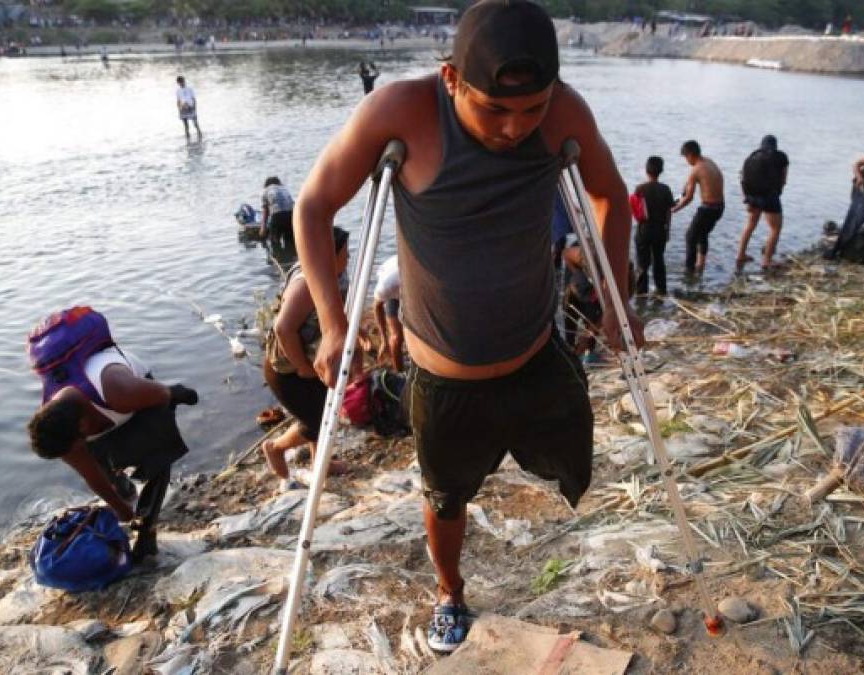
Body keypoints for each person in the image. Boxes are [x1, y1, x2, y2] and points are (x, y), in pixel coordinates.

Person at [291, 0, 642, 652]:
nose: (514, 127)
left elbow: (609, 197)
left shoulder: (563, 111)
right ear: (450, 78)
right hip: (444, 379)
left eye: (530, 109)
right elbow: (313, 206)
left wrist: (614, 297)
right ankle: (449, 590)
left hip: (537, 352)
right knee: (445, 496)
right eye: (495, 109)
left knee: (572, 462)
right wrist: (334, 324)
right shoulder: (400, 113)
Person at [27, 326, 197, 563]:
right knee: (108, 474)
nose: (76, 454)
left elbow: (166, 393)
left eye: (78, 446)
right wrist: (121, 509)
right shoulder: (59, 433)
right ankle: (126, 489)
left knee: (158, 456)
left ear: (83, 426)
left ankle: (148, 532)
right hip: (99, 417)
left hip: (141, 399)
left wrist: (179, 395)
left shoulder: (119, 390)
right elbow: (92, 475)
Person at [262, 227, 353, 485]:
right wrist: (302, 367)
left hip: (314, 359)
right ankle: (276, 448)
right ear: (326, 256)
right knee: (317, 421)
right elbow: (283, 328)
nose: (348, 257)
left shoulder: (333, 273)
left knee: (325, 409)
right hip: (288, 369)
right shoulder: (306, 283)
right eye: (344, 253)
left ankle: (320, 463)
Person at [735, 135, 789, 271]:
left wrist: (746, 198)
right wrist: (778, 190)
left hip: (752, 196)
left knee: (750, 225)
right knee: (775, 228)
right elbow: (784, 179)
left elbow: (742, 177)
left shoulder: (752, 157)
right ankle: (767, 261)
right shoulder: (781, 157)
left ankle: (740, 255)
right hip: (770, 196)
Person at [671, 140, 725, 276]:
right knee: (702, 233)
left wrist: (674, 210)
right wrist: (685, 187)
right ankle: (701, 265)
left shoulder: (696, 170)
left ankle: (689, 271)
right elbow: (690, 184)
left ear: (690, 155)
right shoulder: (708, 162)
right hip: (720, 207)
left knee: (690, 236)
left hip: (708, 208)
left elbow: (689, 199)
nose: (686, 161)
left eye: (685, 157)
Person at [633, 156, 675, 295]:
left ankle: (641, 294)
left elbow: (635, 209)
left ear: (646, 170)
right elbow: (669, 212)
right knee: (659, 261)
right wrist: (668, 230)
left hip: (643, 230)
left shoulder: (640, 189)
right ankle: (661, 291)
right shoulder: (665, 189)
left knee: (642, 264)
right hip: (660, 231)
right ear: (661, 171)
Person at [373, 254, 404, 371]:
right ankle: (399, 372)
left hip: (412, 289)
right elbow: (377, 307)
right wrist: (384, 340)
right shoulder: (387, 285)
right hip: (393, 283)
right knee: (396, 338)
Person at [260, 176, 296, 248]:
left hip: (277, 216)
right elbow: (293, 205)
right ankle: (290, 257)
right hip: (290, 215)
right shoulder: (285, 189)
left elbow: (266, 211)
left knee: (275, 243)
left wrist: (263, 228)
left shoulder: (266, 191)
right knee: (290, 242)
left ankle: (277, 256)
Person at [175, 75, 202, 141]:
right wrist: (179, 109)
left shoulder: (190, 88)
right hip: (183, 108)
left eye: (182, 81)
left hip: (191, 107)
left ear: (184, 81)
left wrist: (195, 108)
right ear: (178, 83)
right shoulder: (178, 91)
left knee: (195, 124)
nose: (181, 83)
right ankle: (188, 139)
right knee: (186, 126)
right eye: (180, 82)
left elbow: (193, 99)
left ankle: (200, 136)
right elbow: (178, 101)